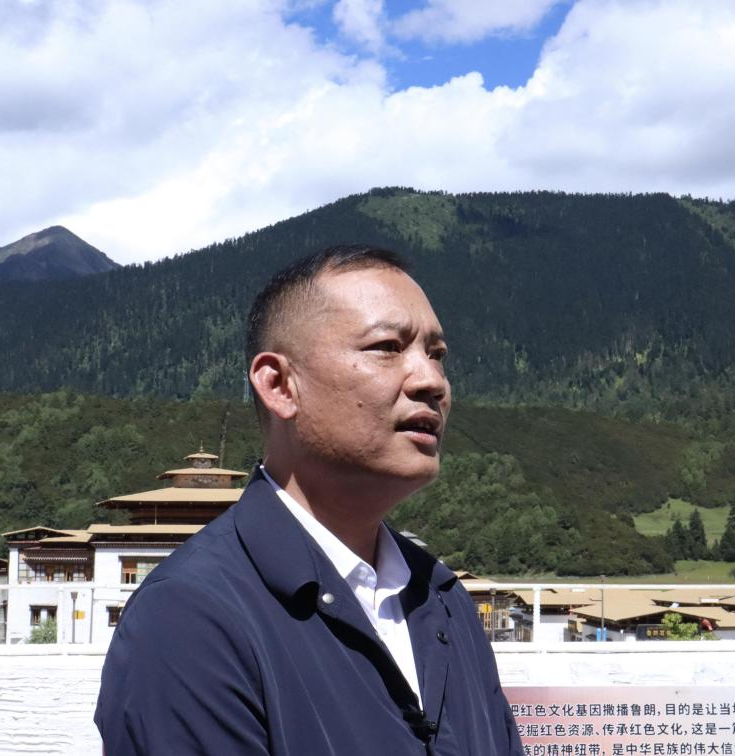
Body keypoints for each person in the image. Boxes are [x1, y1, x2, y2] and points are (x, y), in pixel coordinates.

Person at [95, 245, 521, 755]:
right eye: (387, 346)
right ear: (279, 385)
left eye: (437, 355)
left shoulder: (443, 599)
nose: (431, 381)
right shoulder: (189, 616)